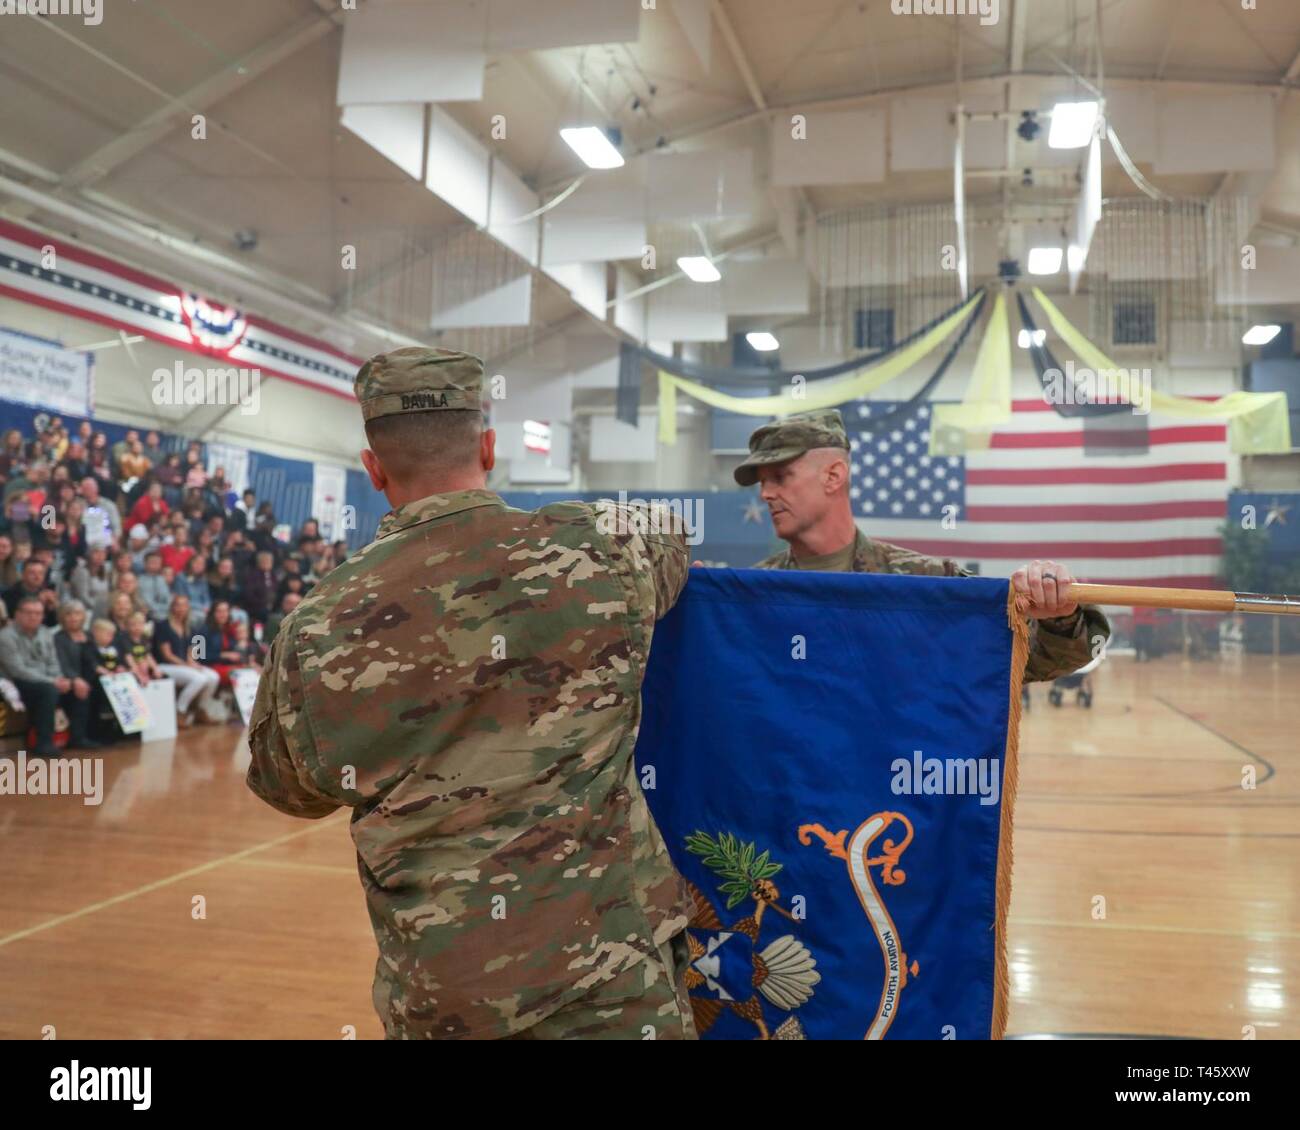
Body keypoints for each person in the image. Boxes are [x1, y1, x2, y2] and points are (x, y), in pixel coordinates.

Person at [245, 347, 695, 1041]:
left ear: (373, 469)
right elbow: (671, 535)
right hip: (613, 981)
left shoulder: (318, 623)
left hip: (447, 998)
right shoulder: (595, 551)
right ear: (488, 446)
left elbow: (287, 788)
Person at [732, 409, 1111, 682]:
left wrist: (1059, 612)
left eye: (780, 477)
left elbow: (1041, 658)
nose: (765, 494)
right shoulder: (746, 596)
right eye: (762, 482)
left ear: (833, 476)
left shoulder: (925, 583)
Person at [0, 595, 93, 754]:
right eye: (29, 612)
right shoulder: (6, 637)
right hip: (17, 682)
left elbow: (53, 661)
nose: (33, 616)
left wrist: (60, 679)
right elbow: (18, 670)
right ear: (17, 614)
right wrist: (52, 681)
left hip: (46, 679)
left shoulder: (45, 633)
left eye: (38, 613)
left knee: (79, 685)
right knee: (48, 690)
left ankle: (77, 737)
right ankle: (43, 742)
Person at [153, 594, 220, 727]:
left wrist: (193, 663)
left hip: (183, 665)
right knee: (199, 679)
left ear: (188, 608)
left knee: (213, 676)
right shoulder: (163, 626)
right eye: (178, 605)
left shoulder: (190, 626)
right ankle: (180, 711)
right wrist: (187, 666)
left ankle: (201, 709)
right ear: (172, 607)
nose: (181, 608)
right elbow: (167, 655)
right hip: (165, 665)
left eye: (184, 605)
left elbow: (191, 651)